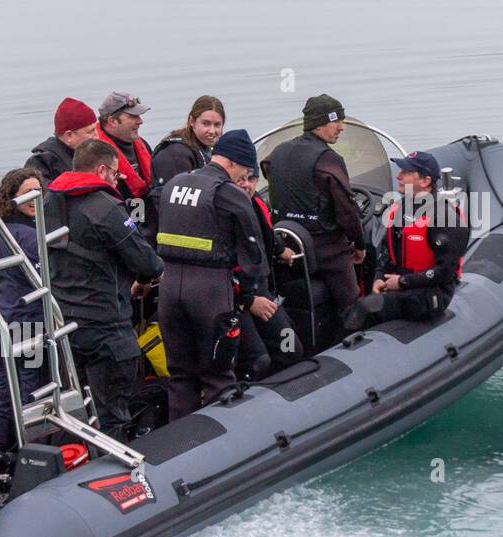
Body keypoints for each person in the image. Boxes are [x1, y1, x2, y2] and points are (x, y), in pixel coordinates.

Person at [44, 139, 164, 441]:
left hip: (64, 326)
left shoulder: (47, 202)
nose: (117, 180)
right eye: (115, 174)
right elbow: (148, 262)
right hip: (105, 327)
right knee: (113, 415)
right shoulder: (106, 207)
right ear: (101, 169)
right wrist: (143, 280)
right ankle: (118, 478)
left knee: (79, 410)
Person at [155, 129, 264, 420]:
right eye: (245, 169)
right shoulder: (228, 193)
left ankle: (179, 443)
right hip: (209, 292)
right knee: (218, 375)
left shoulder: (175, 185)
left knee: (180, 375)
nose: (245, 177)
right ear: (234, 162)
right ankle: (224, 443)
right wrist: (248, 294)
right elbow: (253, 251)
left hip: (169, 290)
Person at [261, 94, 366, 330]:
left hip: (287, 247)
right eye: (336, 121)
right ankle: (353, 340)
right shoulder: (328, 159)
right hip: (327, 250)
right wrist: (359, 244)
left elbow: (266, 169)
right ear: (319, 124)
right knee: (350, 303)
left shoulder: (277, 152)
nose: (341, 127)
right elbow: (347, 212)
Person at [343, 151, 470, 331]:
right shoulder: (400, 210)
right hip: (403, 284)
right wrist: (379, 278)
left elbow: (445, 272)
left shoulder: (445, 218)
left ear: (425, 181)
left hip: (431, 293)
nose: (398, 176)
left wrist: (403, 282)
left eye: (406, 172)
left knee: (366, 308)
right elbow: (386, 254)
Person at [0, 169, 46, 452]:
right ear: (12, 198)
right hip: (28, 324)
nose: (35, 199)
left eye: (38, 193)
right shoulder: (31, 237)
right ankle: (28, 453)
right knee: (31, 393)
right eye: (28, 194)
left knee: (2, 395)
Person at [236, 167, 304, 379]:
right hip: (235, 300)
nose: (246, 184)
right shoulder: (222, 213)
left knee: (290, 346)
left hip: (260, 291)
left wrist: (280, 249)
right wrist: (247, 301)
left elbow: (267, 233)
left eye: (251, 179)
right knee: (258, 360)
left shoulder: (256, 203)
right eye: (241, 179)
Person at [150, 95, 226, 210]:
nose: (212, 131)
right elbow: (170, 201)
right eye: (205, 123)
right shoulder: (175, 154)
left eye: (217, 125)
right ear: (192, 121)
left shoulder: (209, 147)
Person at [94, 92, 155, 212]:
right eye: (133, 117)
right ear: (112, 121)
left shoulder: (142, 144)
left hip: (143, 213)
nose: (140, 121)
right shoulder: (95, 154)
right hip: (118, 216)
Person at [24, 98, 99, 185]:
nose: (97, 136)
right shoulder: (41, 162)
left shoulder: (92, 154)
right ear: (69, 135)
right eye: (90, 132)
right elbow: (44, 194)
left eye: (96, 129)